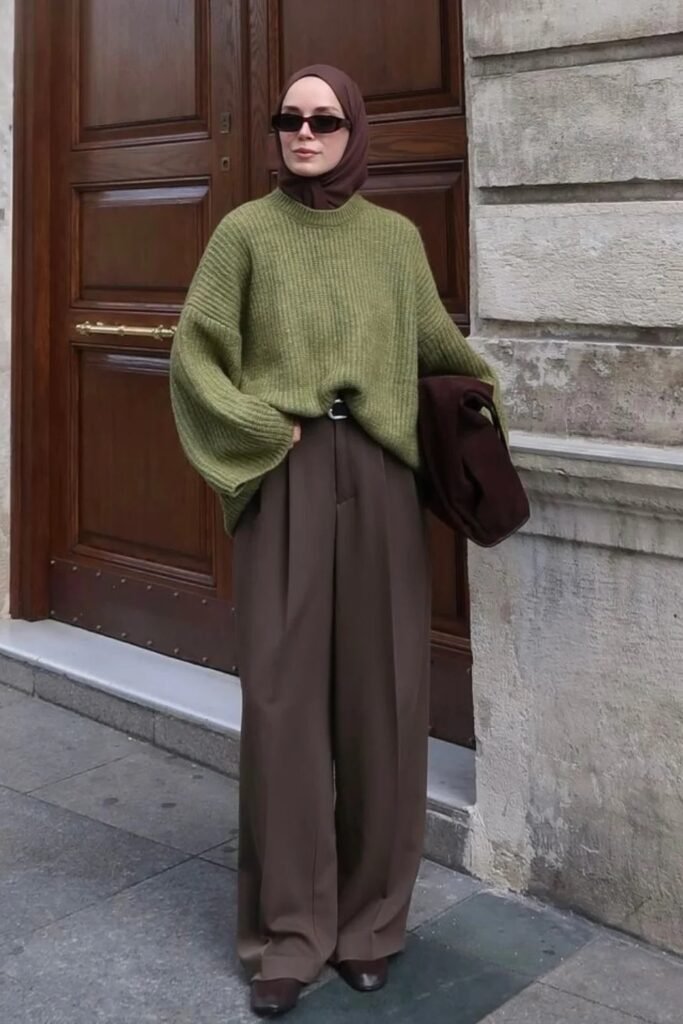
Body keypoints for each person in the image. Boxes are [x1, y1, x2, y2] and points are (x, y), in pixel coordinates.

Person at [170, 65, 505, 1019]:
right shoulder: (243, 233)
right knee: (281, 703)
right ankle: (288, 933)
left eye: (324, 119)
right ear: (275, 131)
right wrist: (262, 431)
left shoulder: (394, 241)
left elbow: (440, 348)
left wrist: (484, 407)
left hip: (383, 484)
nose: (306, 132)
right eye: (291, 118)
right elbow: (196, 352)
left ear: (354, 129)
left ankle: (368, 927)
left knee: (382, 703)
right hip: (287, 475)